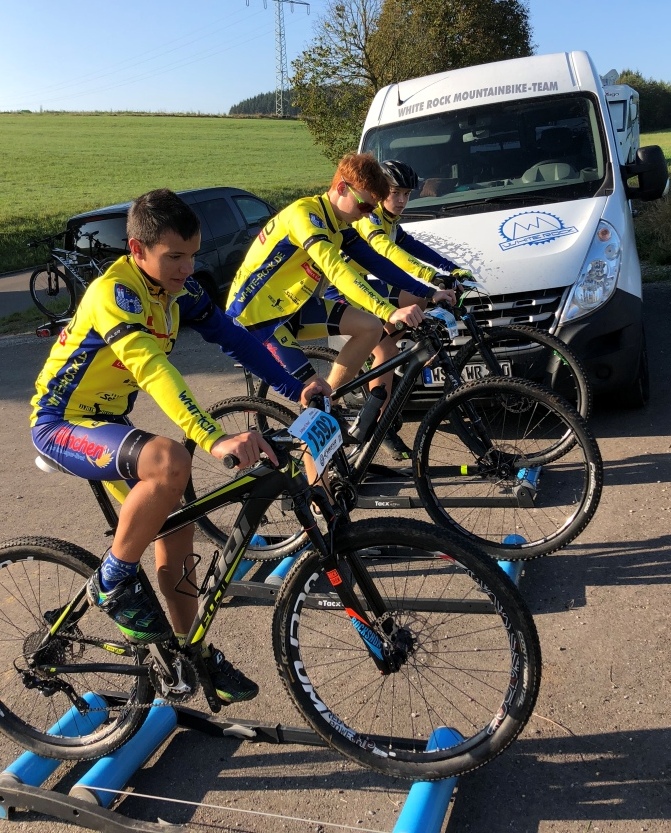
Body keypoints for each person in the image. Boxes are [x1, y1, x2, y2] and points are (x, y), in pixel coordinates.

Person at [30, 188, 325, 705]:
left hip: (108, 421)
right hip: (62, 423)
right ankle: (113, 580)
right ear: (137, 249)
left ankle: (190, 655)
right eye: (174, 257)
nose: (188, 268)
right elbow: (153, 370)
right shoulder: (113, 293)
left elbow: (234, 338)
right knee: (171, 458)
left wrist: (293, 384)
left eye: (192, 254)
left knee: (177, 533)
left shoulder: (176, 290)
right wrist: (213, 436)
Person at [225, 152, 454, 458]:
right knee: (316, 408)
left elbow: (376, 261)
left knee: (370, 329)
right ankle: (319, 495)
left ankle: (330, 402)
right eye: (364, 205)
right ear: (343, 188)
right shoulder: (305, 216)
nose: (366, 213)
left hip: (293, 304)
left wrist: (426, 292)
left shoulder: (337, 220)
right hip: (260, 319)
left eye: (373, 208)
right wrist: (389, 310)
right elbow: (337, 270)